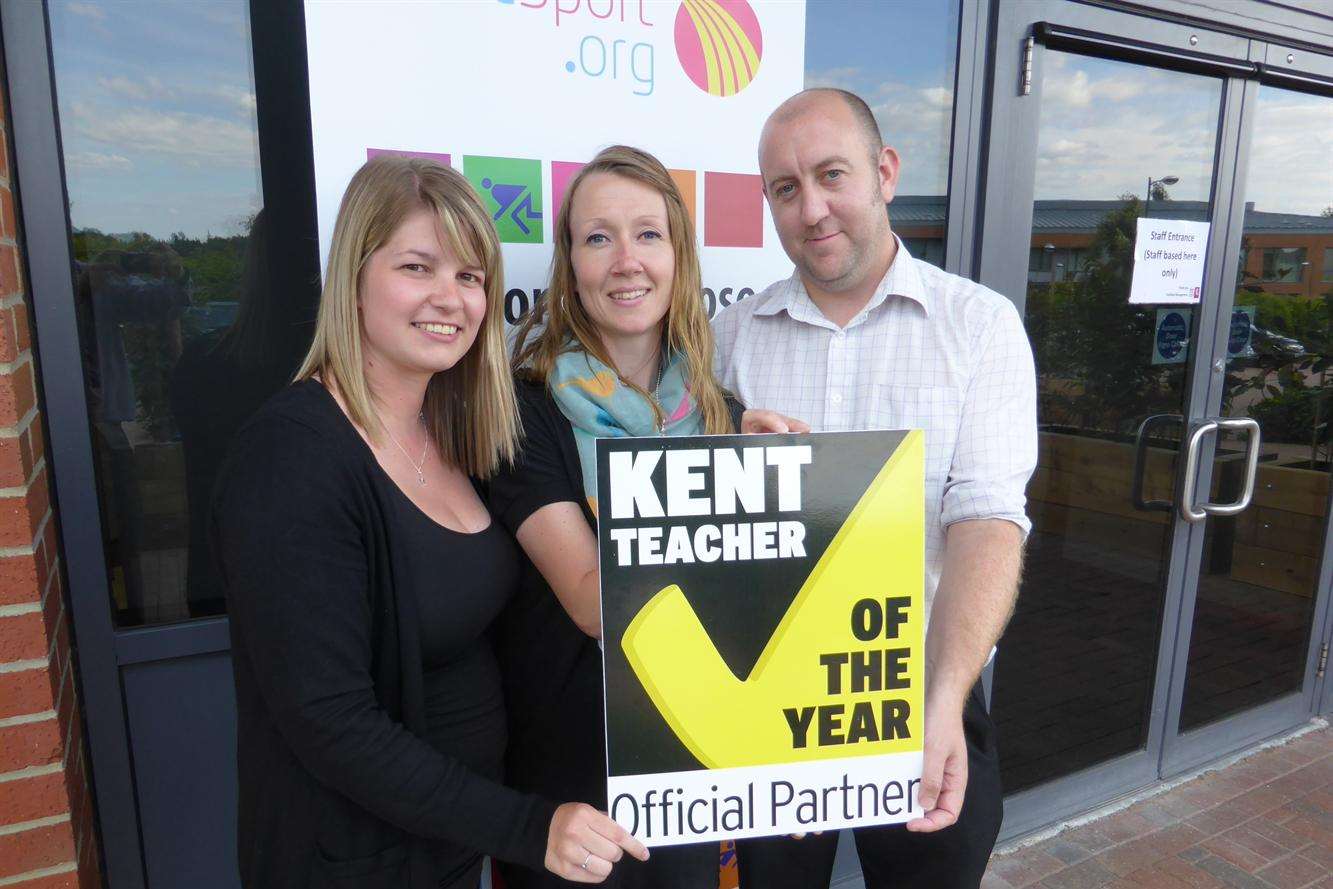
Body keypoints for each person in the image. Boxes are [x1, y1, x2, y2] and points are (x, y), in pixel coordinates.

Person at [212, 156, 647, 889]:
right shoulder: (291, 455)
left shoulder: (458, 436)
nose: (451, 298)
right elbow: (329, 718)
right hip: (349, 863)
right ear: (353, 276)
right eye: (418, 266)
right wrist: (527, 826)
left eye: (471, 277)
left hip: (448, 848)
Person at [712, 89, 1037, 888]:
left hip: (927, 689)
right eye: (786, 190)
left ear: (884, 172)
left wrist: (942, 699)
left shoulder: (978, 325)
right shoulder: (727, 336)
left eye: (832, 175)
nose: (812, 208)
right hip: (771, 702)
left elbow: (987, 517)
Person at [490, 145, 738, 889]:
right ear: (570, 264)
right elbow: (599, 604)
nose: (625, 260)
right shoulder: (521, 411)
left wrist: (777, 480)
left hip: (689, 760)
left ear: (678, 257)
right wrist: (740, 516)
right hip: (567, 785)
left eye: (647, 234)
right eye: (598, 237)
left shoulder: (719, 410)